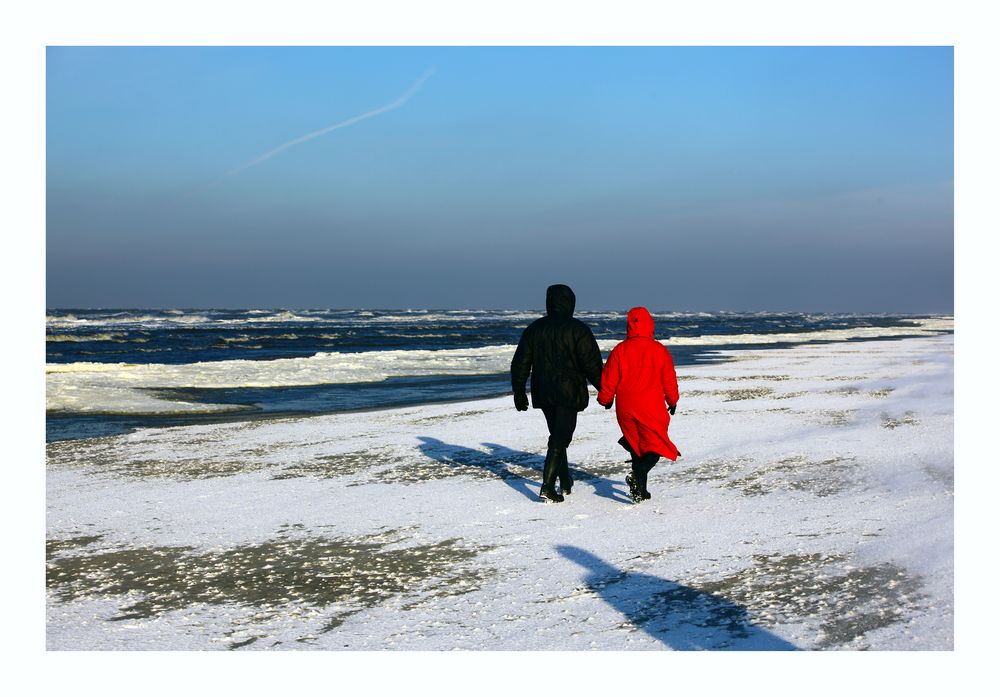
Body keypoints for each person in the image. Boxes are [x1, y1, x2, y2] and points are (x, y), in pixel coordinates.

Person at [511, 284, 604, 503]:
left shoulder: (535, 328)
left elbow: (521, 362)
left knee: (557, 434)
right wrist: (605, 390)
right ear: (570, 302)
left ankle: (565, 479)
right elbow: (592, 365)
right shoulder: (578, 329)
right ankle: (547, 487)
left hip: (543, 390)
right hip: (569, 391)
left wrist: (519, 390)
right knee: (561, 437)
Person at [597, 306, 680, 503]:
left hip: (625, 406)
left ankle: (640, 491)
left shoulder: (620, 350)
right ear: (650, 325)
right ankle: (638, 476)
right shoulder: (659, 350)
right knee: (657, 446)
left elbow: (609, 379)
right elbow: (669, 379)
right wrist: (673, 400)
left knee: (637, 447)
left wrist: (605, 399)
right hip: (651, 405)